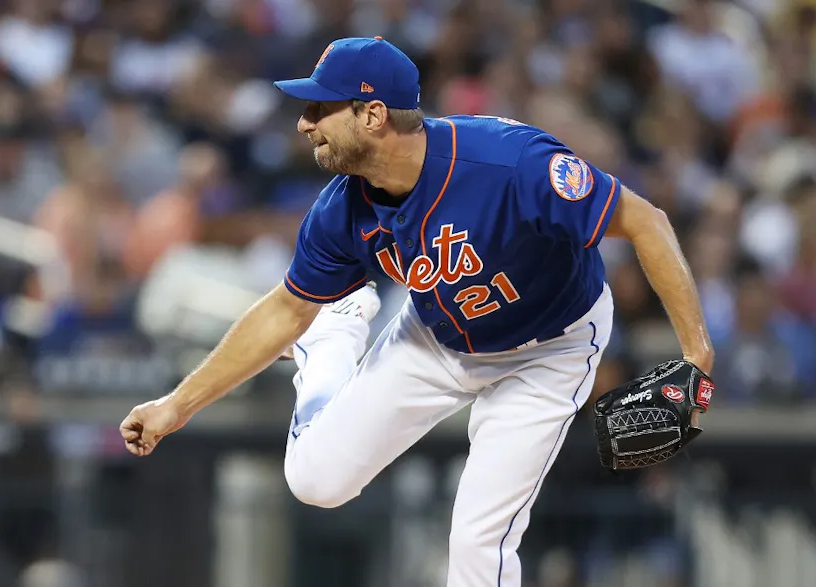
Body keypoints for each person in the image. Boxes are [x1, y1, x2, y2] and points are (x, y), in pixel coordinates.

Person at [119, 37, 714, 587]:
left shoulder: (511, 165)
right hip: (435, 338)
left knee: (479, 538)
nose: (304, 124)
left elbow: (645, 220)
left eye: (319, 108)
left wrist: (696, 355)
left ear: (372, 115)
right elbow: (283, 309)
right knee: (316, 481)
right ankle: (332, 334)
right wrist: (177, 404)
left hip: (549, 349)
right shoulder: (340, 211)